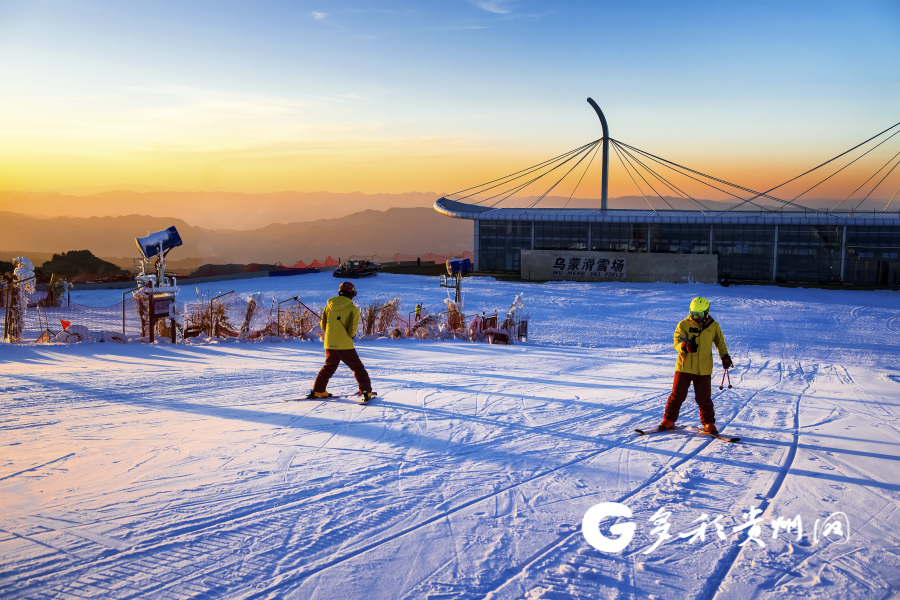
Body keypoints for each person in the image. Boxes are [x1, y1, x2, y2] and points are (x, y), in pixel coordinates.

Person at [658, 296, 732, 435]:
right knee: (677, 395)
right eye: (692, 313)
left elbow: (720, 342)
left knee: (704, 399)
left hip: (703, 369)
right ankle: (668, 420)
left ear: (706, 312)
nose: (695, 317)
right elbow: (677, 342)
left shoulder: (714, 326)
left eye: (698, 314)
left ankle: (708, 423)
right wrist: (685, 346)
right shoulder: (683, 324)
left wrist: (725, 356)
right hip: (684, 367)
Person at [308, 281, 374, 401]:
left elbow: (323, 325)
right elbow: (352, 331)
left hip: (329, 343)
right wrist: (348, 335)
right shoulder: (352, 308)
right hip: (344, 345)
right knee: (357, 367)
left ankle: (318, 390)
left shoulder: (328, 305)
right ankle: (366, 392)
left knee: (329, 366)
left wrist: (332, 334)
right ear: (352, 294)